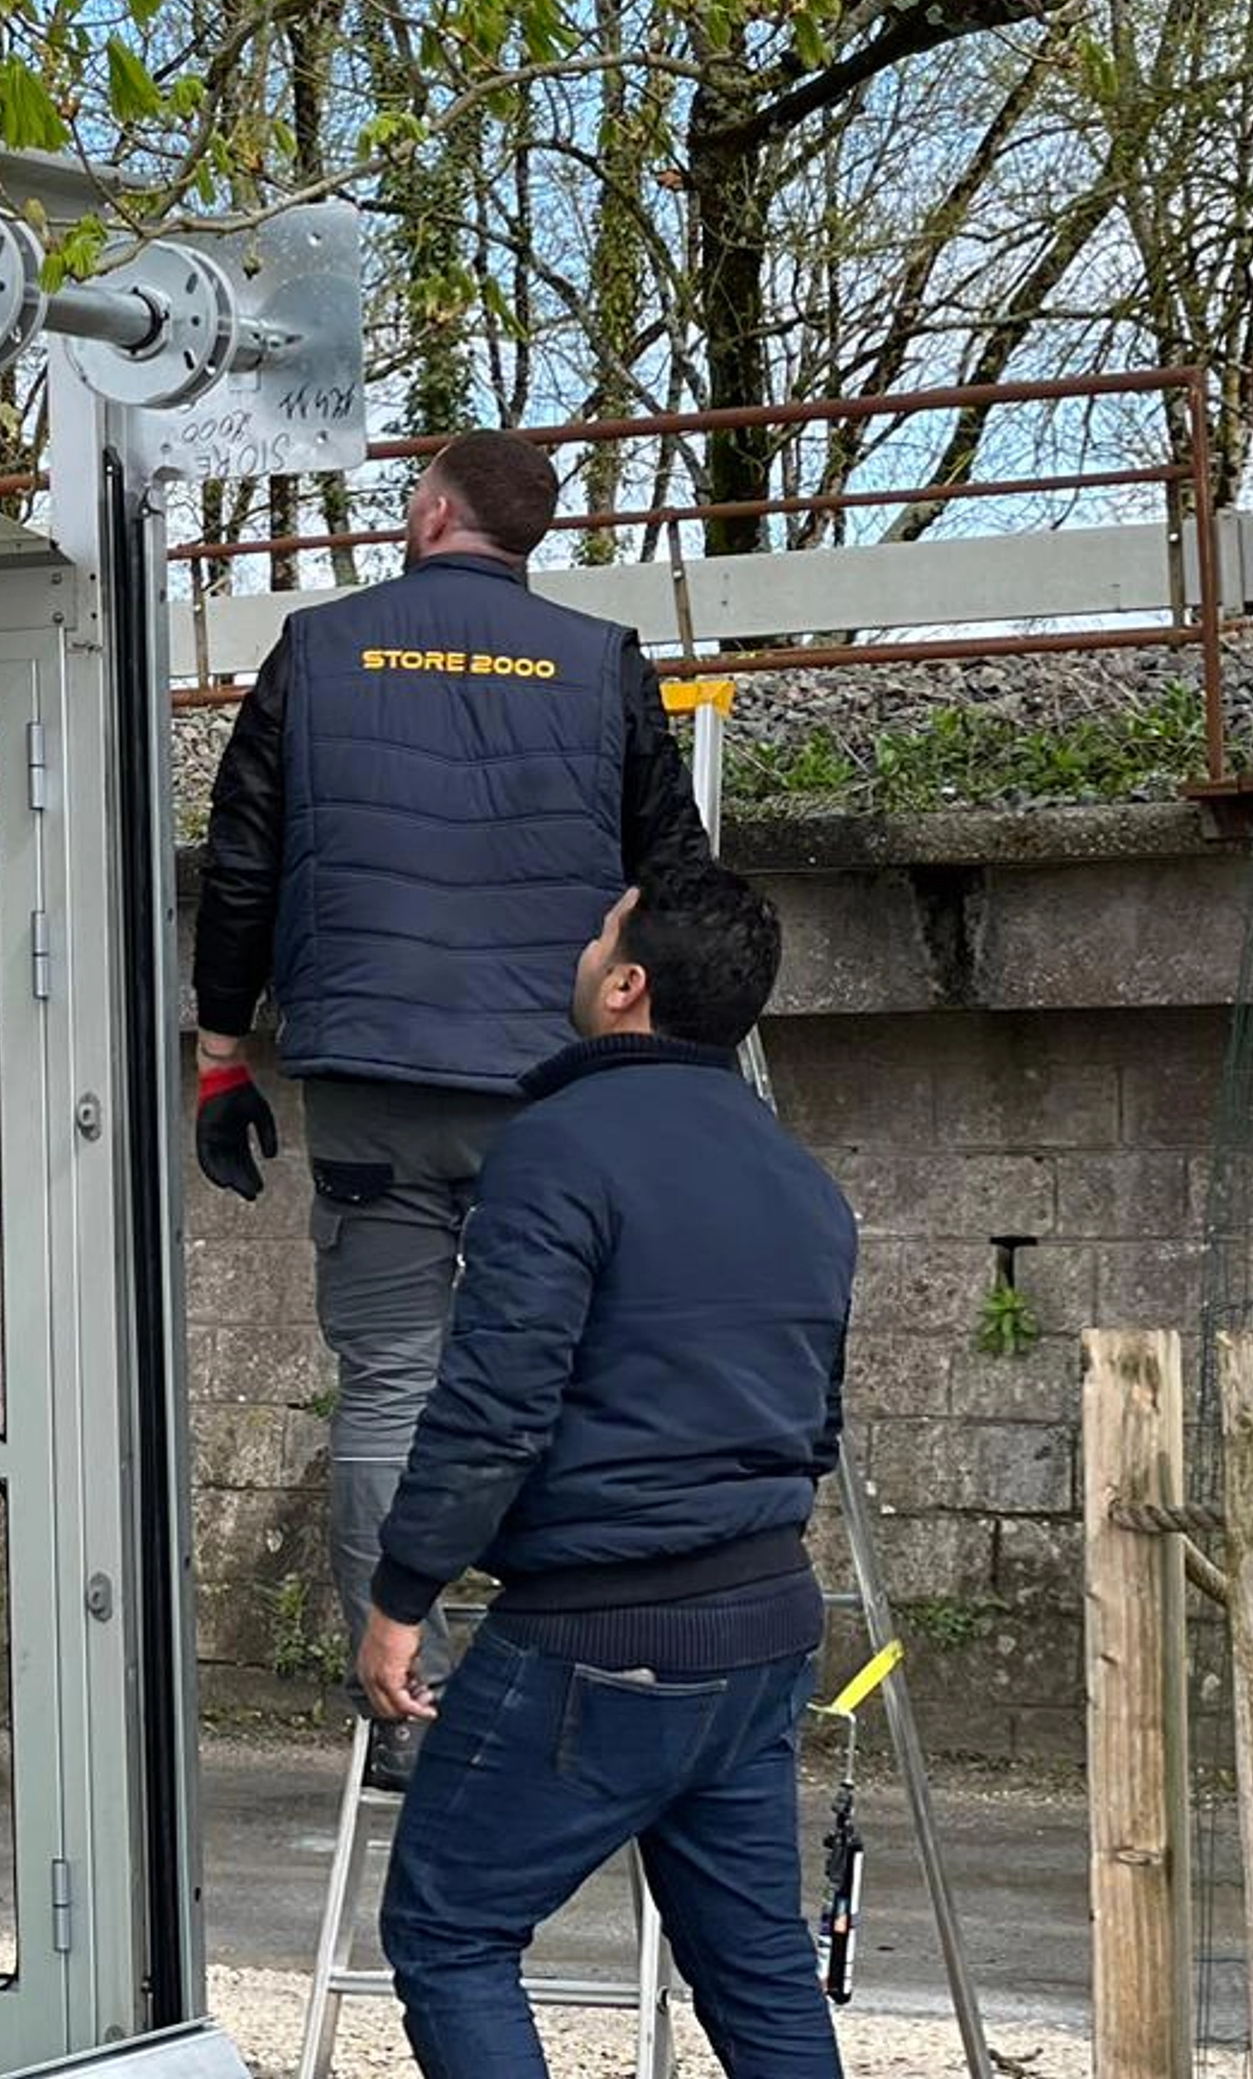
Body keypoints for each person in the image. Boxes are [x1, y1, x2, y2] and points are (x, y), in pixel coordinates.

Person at [190, 427, 709, 1785]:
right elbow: (677, 876)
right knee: (570, 1371)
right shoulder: (600, 662)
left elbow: (240, 865)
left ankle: (402, 1712)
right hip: (555, 1087)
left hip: (368, 1077)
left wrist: (219, 1054)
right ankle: (571, 1693)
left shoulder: (319, 647)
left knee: (391, 1385)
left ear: (430, 513)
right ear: (524, 535)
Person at [356, 865, 857, 2079]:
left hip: (600, 1636)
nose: (581, 952)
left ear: (626, 985)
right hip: (764, 1626)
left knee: (449, 1931)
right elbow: (816, 1421)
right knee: (760, 1971)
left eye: (599, 937)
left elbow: (492, 1406)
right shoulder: (801, 1177)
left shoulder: (556, 1150)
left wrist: (400, 1597)